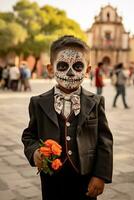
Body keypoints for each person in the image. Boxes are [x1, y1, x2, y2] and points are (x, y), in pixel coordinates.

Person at [22, 35, 113, 200]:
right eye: (63, 66)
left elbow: (104, 140)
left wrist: (100, 175)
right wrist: (34, 151)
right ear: (51, 69)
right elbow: (29, 135)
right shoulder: (37, 102)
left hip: (85, 175)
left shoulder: (96, 101)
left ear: (87, 71)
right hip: (51, 178)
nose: (70, 73)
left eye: (78, 66)